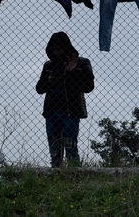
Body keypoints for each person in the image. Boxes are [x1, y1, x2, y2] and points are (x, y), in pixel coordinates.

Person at [36, 32, 95, 167]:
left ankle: (74, 174)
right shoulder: (49, 66)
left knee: (71, 146)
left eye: (60, 49)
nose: (57, 52)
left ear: (66, 47)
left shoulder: (81, 63)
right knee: (55, 150)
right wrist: (49, 80)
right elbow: (39, 88)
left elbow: (88, 86)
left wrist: (72, 72)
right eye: (54, 49)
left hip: (71, 111)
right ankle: (56, 174)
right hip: (52, 111)